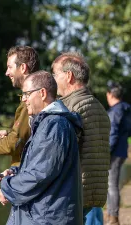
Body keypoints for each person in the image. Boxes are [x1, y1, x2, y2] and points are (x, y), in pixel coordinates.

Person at [0, 71, 83, 225]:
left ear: (42, 93)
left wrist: (7, 186)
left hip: (46, 218)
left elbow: (39, 175)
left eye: (26, 94)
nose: (23, 99)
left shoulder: (54, 125)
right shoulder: (47, 123)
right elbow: (41, 166)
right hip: (41, 214)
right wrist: (15, 173)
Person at [51, 52, 110, 224]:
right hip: (95, 191)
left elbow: (60, 154)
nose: (53, 80)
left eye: (55, 74)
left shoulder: (70, 107)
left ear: (68, 76)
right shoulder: (98, 106)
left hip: (74, 191)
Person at [0, 46, 40, 166]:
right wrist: (10, 133)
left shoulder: (30, 101)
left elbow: (14, 143)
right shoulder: (38, 96)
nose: (6, 73)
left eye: (9, 67)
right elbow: (30, 136)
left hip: (26, 175)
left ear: (23, 67)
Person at [105, 82, 131, 225]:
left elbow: (112, 134)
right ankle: (111, 214)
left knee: (112, 185)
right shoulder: (127, 109)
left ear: (110, 94)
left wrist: (106, 152)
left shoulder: (115, 111)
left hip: (114, 152)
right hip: (123, 149)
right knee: (113, 184)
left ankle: (113, 218)